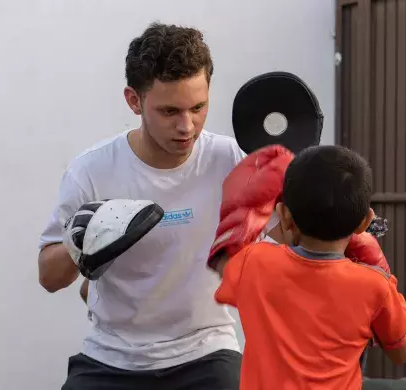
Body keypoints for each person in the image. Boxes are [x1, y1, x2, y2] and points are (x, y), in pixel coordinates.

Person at [37, 22, 283, 389]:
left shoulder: (231, 158)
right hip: (112, 356)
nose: (187, 126)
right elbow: (49, 278)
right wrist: (81, 241)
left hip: (207, 351)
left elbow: (298, 236)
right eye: (169, 111)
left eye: (198, 107)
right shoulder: (92, 170)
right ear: (134, 100)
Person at [208, 144, 406, 389]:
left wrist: (241, 207)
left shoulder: (254, 262)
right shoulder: (376, 286)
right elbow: (402, 353)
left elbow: (223, 263)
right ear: (365, 222)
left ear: (284, 215)